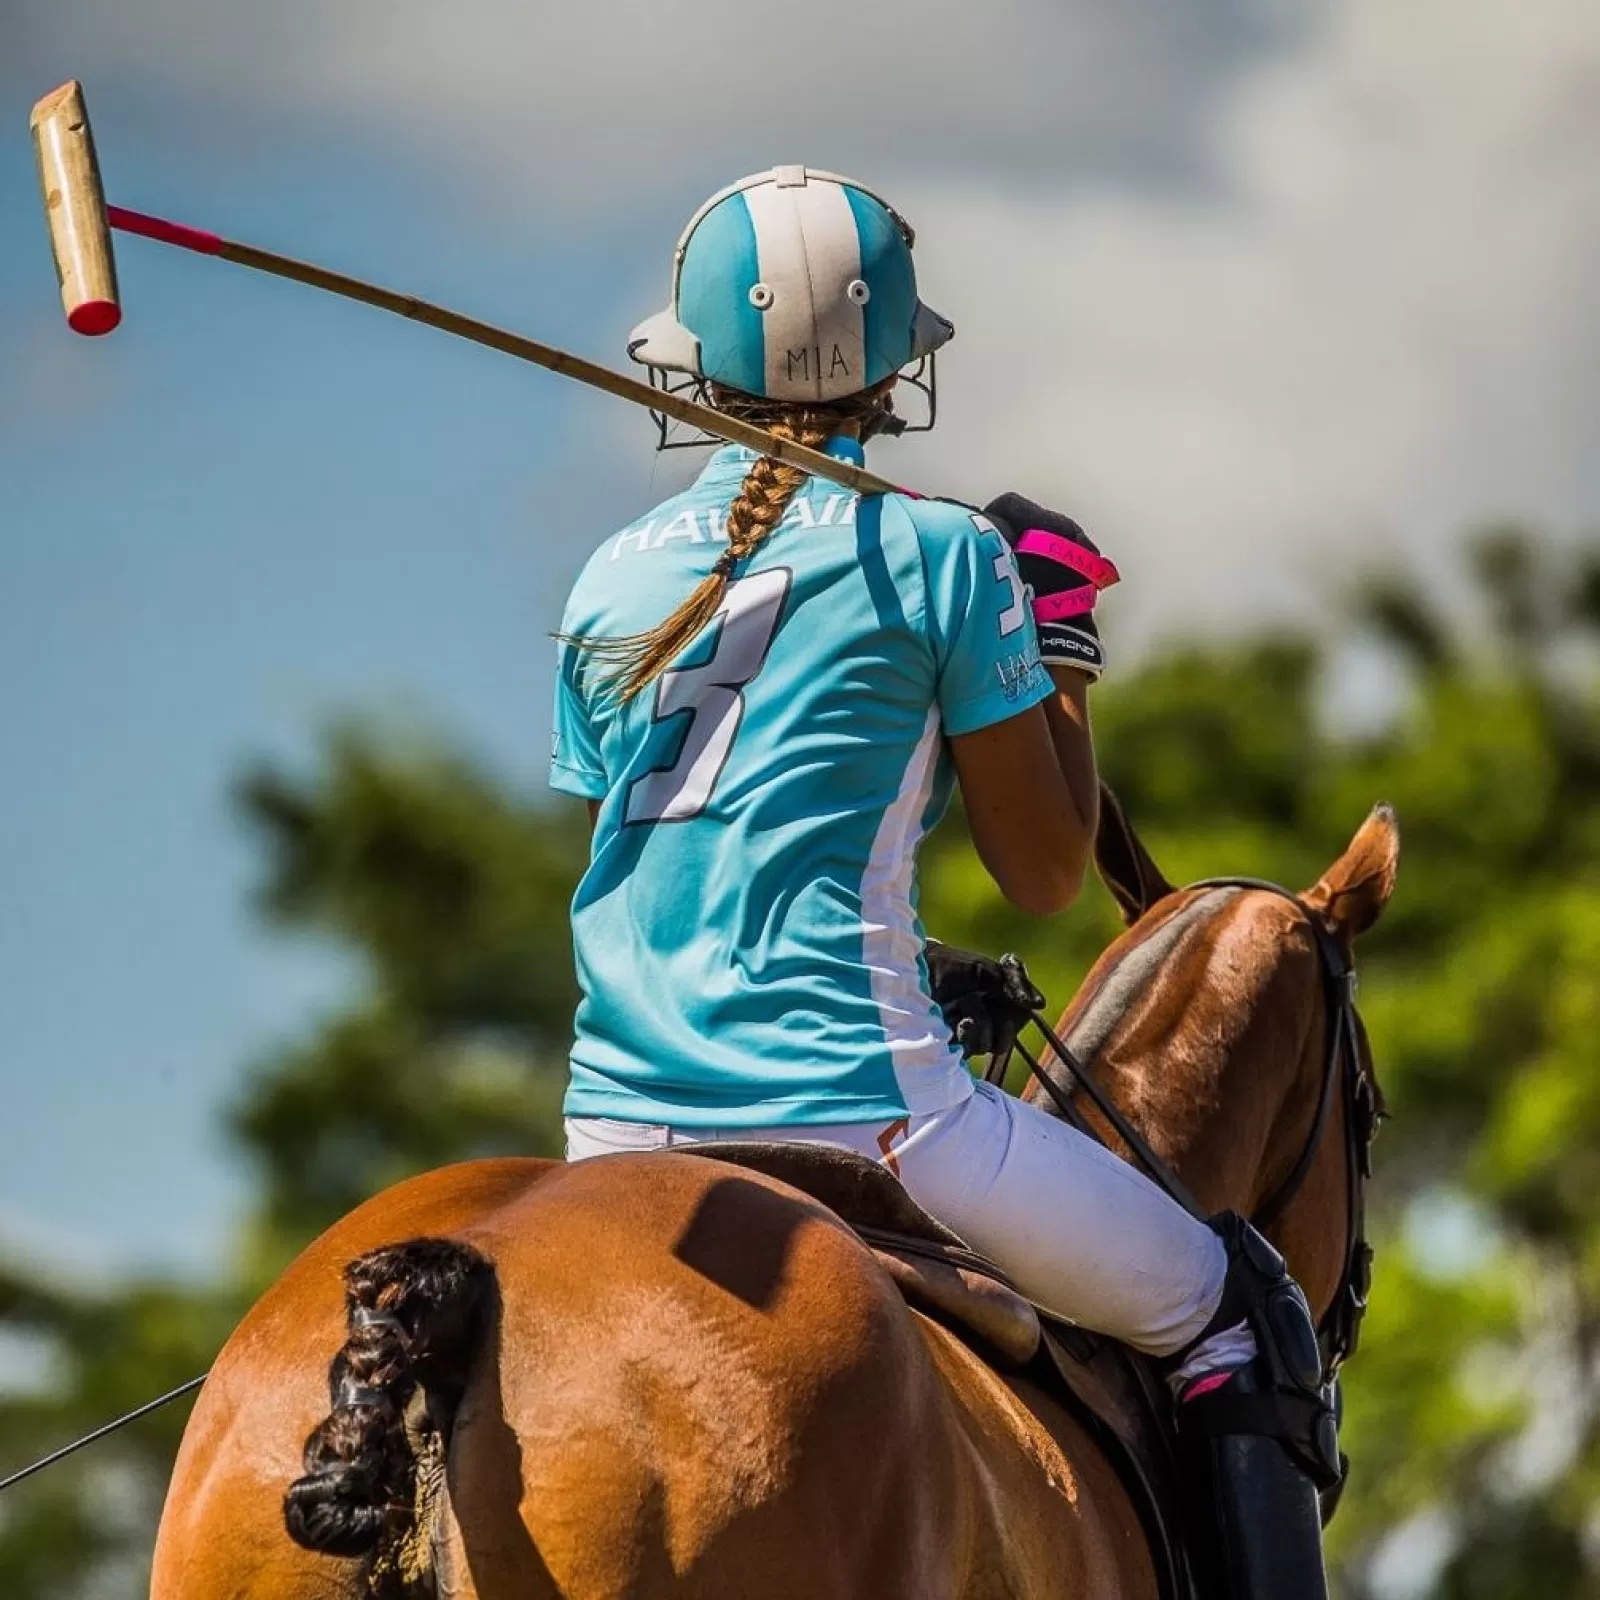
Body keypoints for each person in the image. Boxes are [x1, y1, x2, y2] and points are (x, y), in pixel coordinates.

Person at [550, 166, 1337, 1597]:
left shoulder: (610, 575)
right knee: (1236, 1310)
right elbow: (1046, 871)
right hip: (867, 1114)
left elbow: (676, 860)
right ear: (895, 365)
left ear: (694, 367)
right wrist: (1061, 643)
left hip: (609, 1135)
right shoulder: (940, 550)